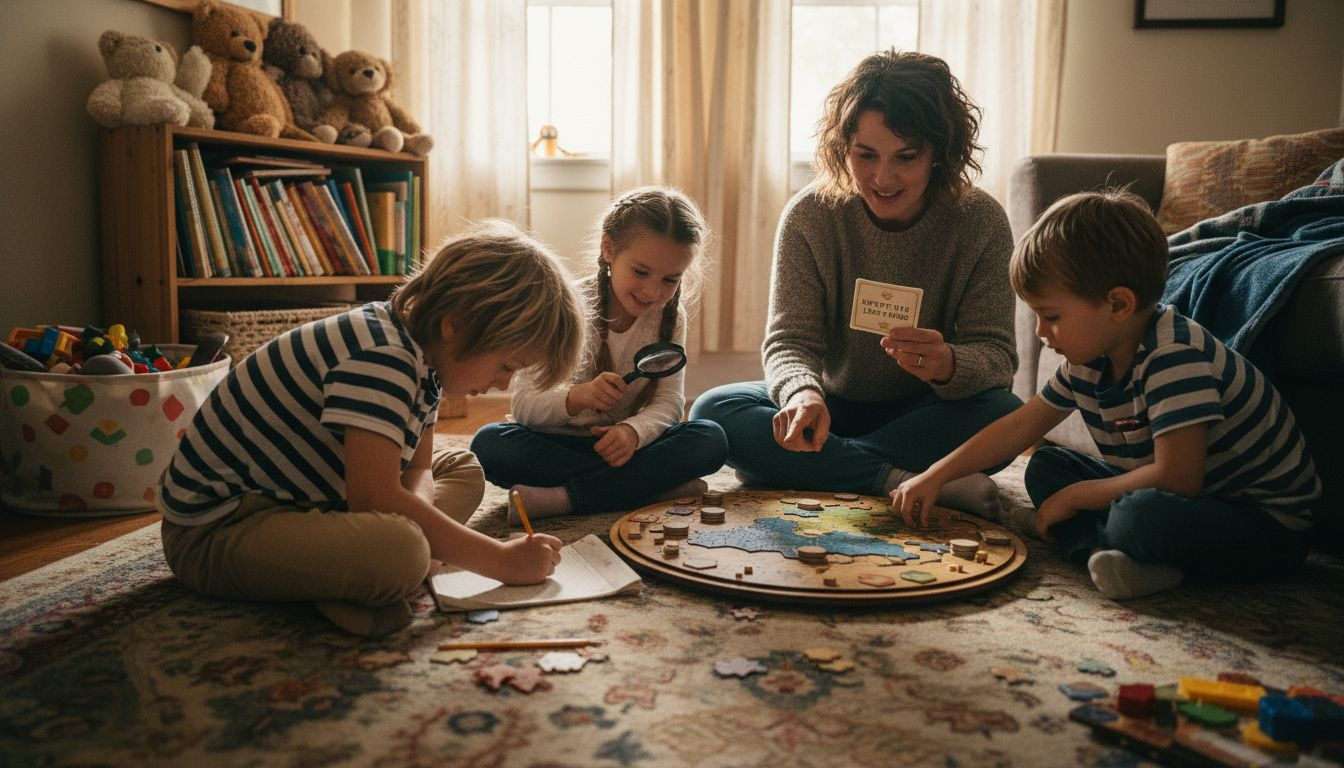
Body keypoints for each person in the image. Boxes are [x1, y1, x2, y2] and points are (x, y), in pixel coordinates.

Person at [158, 220, 587, 636]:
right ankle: (357, 576)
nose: (502, 383)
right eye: (506, 365)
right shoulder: (381, 356)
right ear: (457, 324)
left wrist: (412, 524)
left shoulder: (424, 359)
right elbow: (374, 497)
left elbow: (417, 470)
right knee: (402, 553)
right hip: (216, 531)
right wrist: (501, 561)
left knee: (462, 468)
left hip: (310, 501)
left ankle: (348, 576)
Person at [890, 190, 1321, 600]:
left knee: (1139, 517)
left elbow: (1178, 479)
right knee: (1045, 467)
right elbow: (1020, 426)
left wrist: (1076, 498)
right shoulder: (1088, 359)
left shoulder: (1173, 357)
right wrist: (935, 474)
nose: (1041, 333)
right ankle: (1114, 555)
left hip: (1263, 526)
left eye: (1052, 316)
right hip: (1186, 497)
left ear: (1118, 305)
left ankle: (1106, 544)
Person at [690, 50, 1020, 515]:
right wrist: (803, 393)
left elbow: (997, 357)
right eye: (865, 155)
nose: (882, 178)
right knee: (713, 411)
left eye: (906, 157)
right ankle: (900, 479)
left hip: (925, 411)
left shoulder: (980, 221)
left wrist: (948, 363)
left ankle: (810, 467)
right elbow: (789, 341)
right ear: (843, 147)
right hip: (830, 406)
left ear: (939, 154)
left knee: (1005, 415)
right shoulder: (810, 215)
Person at [472, 187, 729, 521]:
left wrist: (632, 432)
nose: (653, 291)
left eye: (670, 280)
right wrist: (578, 397)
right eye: (640, 272)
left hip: (626, 450)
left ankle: (565, 499)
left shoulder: (670, 318)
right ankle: (649, 490)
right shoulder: (565, 307)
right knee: (489, 445)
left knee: (711, 439)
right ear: (608, 249)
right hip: (556, 446)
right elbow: (524, 406)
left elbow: (668, 403)